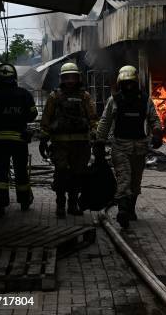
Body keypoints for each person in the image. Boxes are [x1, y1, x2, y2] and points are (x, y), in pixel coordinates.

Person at [94, 65, 162, 229]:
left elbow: (154, 118)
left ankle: (130, 210)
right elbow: (105, 122)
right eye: (126, 83)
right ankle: (123, 211)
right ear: (120, 83)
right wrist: (99, 142)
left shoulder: (145, 100)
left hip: (140, 148)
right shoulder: (114, 100)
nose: (129, 86)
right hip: (120, 147)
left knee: (135, 182)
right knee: (124, 179)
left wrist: (157, 132)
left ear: (136, 82)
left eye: (131, 83)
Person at [0, 63, 37, 217]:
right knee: (21, 172)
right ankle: (24, 201)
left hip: (0, 142)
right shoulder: (24, 94)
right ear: (14, 77)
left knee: (1, 173)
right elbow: (33, 114)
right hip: (20, 141)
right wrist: (19, 118)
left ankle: (0, 205)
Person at [40, 62, 98, 218]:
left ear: (78, 78)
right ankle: (60, 205)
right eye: (67, 77)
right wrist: (43, 138)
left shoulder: (84, 96)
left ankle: (73, 205)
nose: (70, 81)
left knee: (77, 175)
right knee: (61, 174)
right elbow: (46, 119)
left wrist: (95, 134)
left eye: (73, 77)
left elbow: (92, 118)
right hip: (60, 144)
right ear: (62, 79)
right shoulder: (54, 96)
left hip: (81, 144)